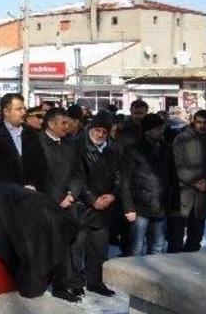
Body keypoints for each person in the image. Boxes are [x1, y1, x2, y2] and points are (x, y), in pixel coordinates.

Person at [30, 107, 83, 302]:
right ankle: (40, 281)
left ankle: (65, 284)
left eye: (68, 123)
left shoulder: (70, 145)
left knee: (69, 246)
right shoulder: (35, 143)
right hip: (45, 204)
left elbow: (79, 173)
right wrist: (51, 199)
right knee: (46, 246)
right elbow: (33, 176)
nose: (67, 127)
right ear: (51, 124)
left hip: (68, 204)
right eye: (63, 123)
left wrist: (71, 194)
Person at [70, 113, 119, 297]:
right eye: (96, 130)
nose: (99, 134)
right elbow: (78, 178)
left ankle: (95, 282)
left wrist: (112, 196)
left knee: (99, 249)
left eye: (103, 131)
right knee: (77, 249)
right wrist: (93, 200)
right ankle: (75, 282)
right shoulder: (77, 147)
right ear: (90, 129)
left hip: (105, 207)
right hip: (82, 207)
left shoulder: (112, 150)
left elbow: (119, 176)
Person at [168, 110, 206, 253]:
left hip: (202, 193)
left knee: (196, 236)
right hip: (181, 192)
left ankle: (191, 265)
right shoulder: (182, 138)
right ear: (193, 122)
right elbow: (175, 164)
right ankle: (174, 267)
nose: (202, 125)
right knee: (176, 236)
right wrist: (192, 181)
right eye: (199, 122)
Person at [120, 114, 172, 257]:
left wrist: (174, 205)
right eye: (158, 128)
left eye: (163, 127)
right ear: (148, 130)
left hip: (160, 205)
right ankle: (135, 278)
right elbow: (125, 180)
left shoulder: (166, 149)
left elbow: (171, 178)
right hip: (139, 207)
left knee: (158, 247)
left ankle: (154, 278)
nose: (162, 131)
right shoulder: (133, 149)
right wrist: (128, 208)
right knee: (136, 247)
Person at [0, 93, 39, 188]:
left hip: (30, 192)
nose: (24, 112)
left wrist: (34, 185)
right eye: (19, 109)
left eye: (24, 108)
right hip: (5, 192)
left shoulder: (31, 133)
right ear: (6, 112)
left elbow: (40, 164)